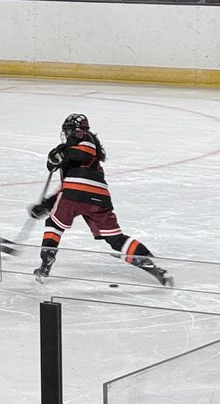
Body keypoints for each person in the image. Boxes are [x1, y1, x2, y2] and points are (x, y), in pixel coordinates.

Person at [29, 114, 172, 286]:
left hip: (74, 194)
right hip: (98, 197)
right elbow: (67, 187)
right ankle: (153, 267)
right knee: (116, 239)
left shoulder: (82, 138)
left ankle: (45, 264)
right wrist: (46, 205)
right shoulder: (82, 160)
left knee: (54, 225)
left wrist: (63, 153)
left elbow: (81, 156)